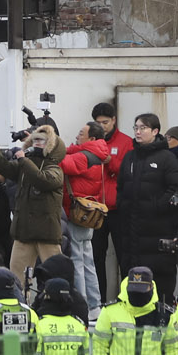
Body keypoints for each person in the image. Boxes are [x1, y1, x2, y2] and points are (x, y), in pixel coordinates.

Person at [0, 119, 67, 281]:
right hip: (23, 232)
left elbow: (42, 180)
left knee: (54, 277)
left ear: (51, 145)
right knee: (17, 278)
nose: (37, 144)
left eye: (41, 141)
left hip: (46, 234)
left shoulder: (54, 169)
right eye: (34, 140)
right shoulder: (24, 166)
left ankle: (54, 302)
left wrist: (23, 160)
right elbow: (3, 167)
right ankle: (20, 304)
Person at [115, 114, 178, 302]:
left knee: (160, 281)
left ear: (155, 131)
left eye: (143, 128)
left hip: (158, 229)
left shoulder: (166, 158)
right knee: (131, 278)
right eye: (136, 127)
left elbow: (177, 188)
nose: (138, 132)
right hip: (131, 231)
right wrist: (123, 205)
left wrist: (157, 206)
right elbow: (120, 186)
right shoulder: (130, 157)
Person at [58, 121, 111, 313]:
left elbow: (64, 163)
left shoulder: (85, 156)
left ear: (93, 138)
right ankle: (95, 304)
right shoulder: (98, 154)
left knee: (77, 261)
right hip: (88, 215)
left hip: (77, 215)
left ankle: (84, 305)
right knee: (88, 261)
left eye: (82, 133)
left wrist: (49, 146)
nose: (78, 136)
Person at [90, 103, 134, 292]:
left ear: (114, 120)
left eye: (105, 122)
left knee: (125, 255)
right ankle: (98, 300)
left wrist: (109, 161)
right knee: (95, 256)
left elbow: (127, 172)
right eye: (98, 123)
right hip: (95, 209)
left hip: (118, 208)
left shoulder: (126, 142)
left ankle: (126, 296)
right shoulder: (91, 141)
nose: (102, 126)